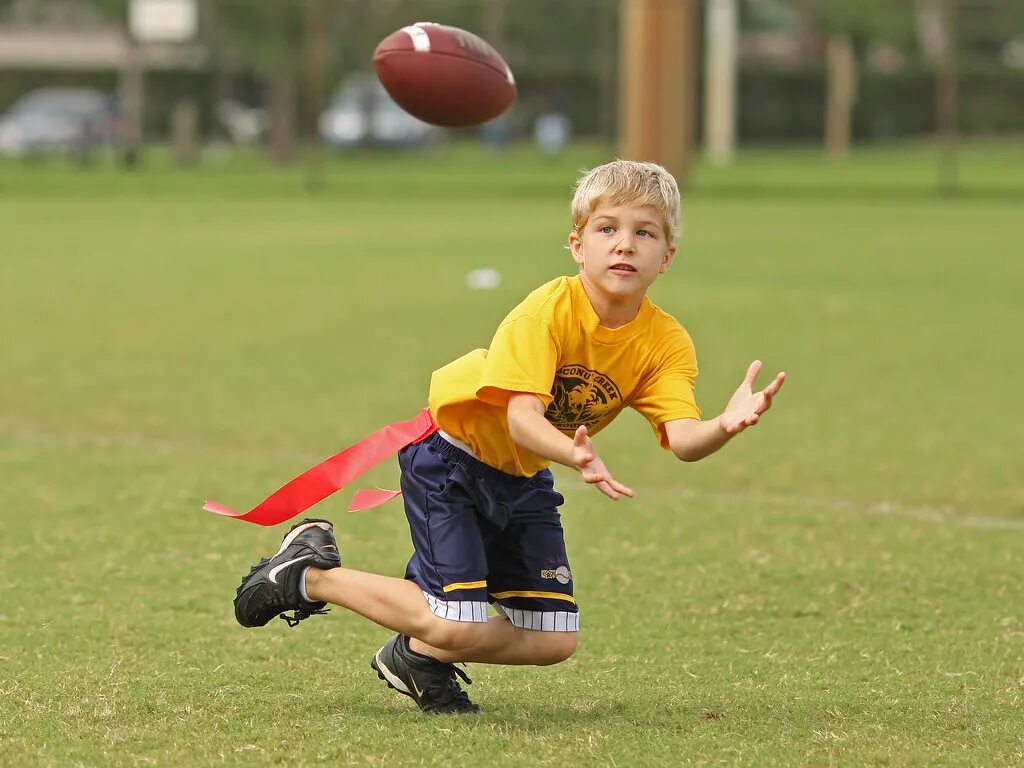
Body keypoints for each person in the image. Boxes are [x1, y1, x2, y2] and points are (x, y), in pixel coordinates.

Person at [233, 160, 786, 714]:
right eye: (607, 229)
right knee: (454, 616)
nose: (625, 245)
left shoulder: (665, 341)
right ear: (577, 245)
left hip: (522, 477)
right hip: (452, 458)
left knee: (554, 639)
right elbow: (523, 418)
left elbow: (685, 439)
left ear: (665, 257)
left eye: (644, 233)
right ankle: (309, 574)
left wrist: (724, 426)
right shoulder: (546, 311)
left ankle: (417, 655)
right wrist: (573, 453)